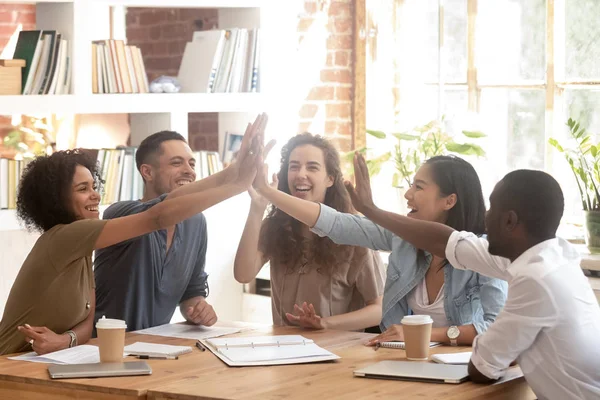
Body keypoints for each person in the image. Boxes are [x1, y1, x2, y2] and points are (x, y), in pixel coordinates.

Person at [346, 152, 600, 399]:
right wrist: (371, 210)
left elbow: (482, 369)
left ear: (510, 221)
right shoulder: (555, 256)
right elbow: (448, 241)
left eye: (492, 209)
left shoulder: (536, 281)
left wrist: (493, 346)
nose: (485, 216)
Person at [0, 122, 260, 356]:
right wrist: (234, 181)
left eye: (94, 187)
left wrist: (64, 340)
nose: (95, 196)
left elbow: (86, 324)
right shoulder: (68, 236)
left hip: (47, 360)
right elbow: (159, 215)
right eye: (82, 189)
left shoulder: (82, 249)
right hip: (10, 363)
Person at [253, 149, 507, 344]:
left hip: (468, 368)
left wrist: (424, 334)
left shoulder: (483, 254)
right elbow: (336, 223)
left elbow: (496, 329)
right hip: (410, 363)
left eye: (418, 187)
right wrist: (267, 191)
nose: (408, 194)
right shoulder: (404, 240)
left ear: (449, 200)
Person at [93, 115, 268, 333]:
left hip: (157, 346)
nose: (189, 171)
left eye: (191, 163)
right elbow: (162, 212)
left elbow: (191, 292)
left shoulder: (196, 222)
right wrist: (234, 176)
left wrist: (197, 308)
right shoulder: (120, 213)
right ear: (147, 172)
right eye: (177, 163)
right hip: (101, 346)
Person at [234, 133, 385, 331]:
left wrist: (325, 324)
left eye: (312, 167)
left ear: (330, 178)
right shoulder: (274, 227)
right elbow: (243, 275)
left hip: (340, 352)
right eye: (294, 166)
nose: (300, 174)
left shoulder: (353, 233)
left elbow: (379, 309)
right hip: (284, 350)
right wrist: (257, 207)